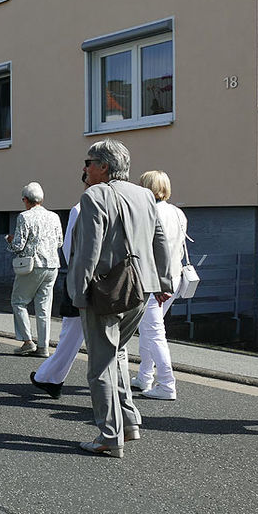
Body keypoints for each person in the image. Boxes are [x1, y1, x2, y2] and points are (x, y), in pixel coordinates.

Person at [68, 139, 172, 458]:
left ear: (104, 167)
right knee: (117, 354)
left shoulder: (94, 196)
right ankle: (129, 421)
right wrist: (164, 281)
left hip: (105, 291)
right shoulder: (144, 195)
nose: (84, 168)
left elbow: (88, 252)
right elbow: (160, 240)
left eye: (89, 162)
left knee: (100, 364)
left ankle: (109, 436)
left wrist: (77, 292)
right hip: (140, 289)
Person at [30, 170, 92, 399]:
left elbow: (69, 248)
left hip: (81, 280)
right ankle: (49, 376)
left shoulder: (80, 208)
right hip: (113, 284)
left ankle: (50, 377)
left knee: (71, 332)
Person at [132, 170, 189, 401]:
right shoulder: (178, 212)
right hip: (174, 279)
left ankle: (166, 383)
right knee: (149, 330)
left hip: (152, 282)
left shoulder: (147, 213)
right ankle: (145, 376)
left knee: (154, 332)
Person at [6, 182, 63, 356]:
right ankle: (43, 346)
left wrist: (9, 240)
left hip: (32, 265)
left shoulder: (24, 217)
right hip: (52, 265)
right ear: (42, 199)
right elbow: (60, 241)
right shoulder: (54, 216)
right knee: (44, 306)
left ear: (25, 200)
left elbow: (18, 245)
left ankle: (27, 341)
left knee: (19, 301)